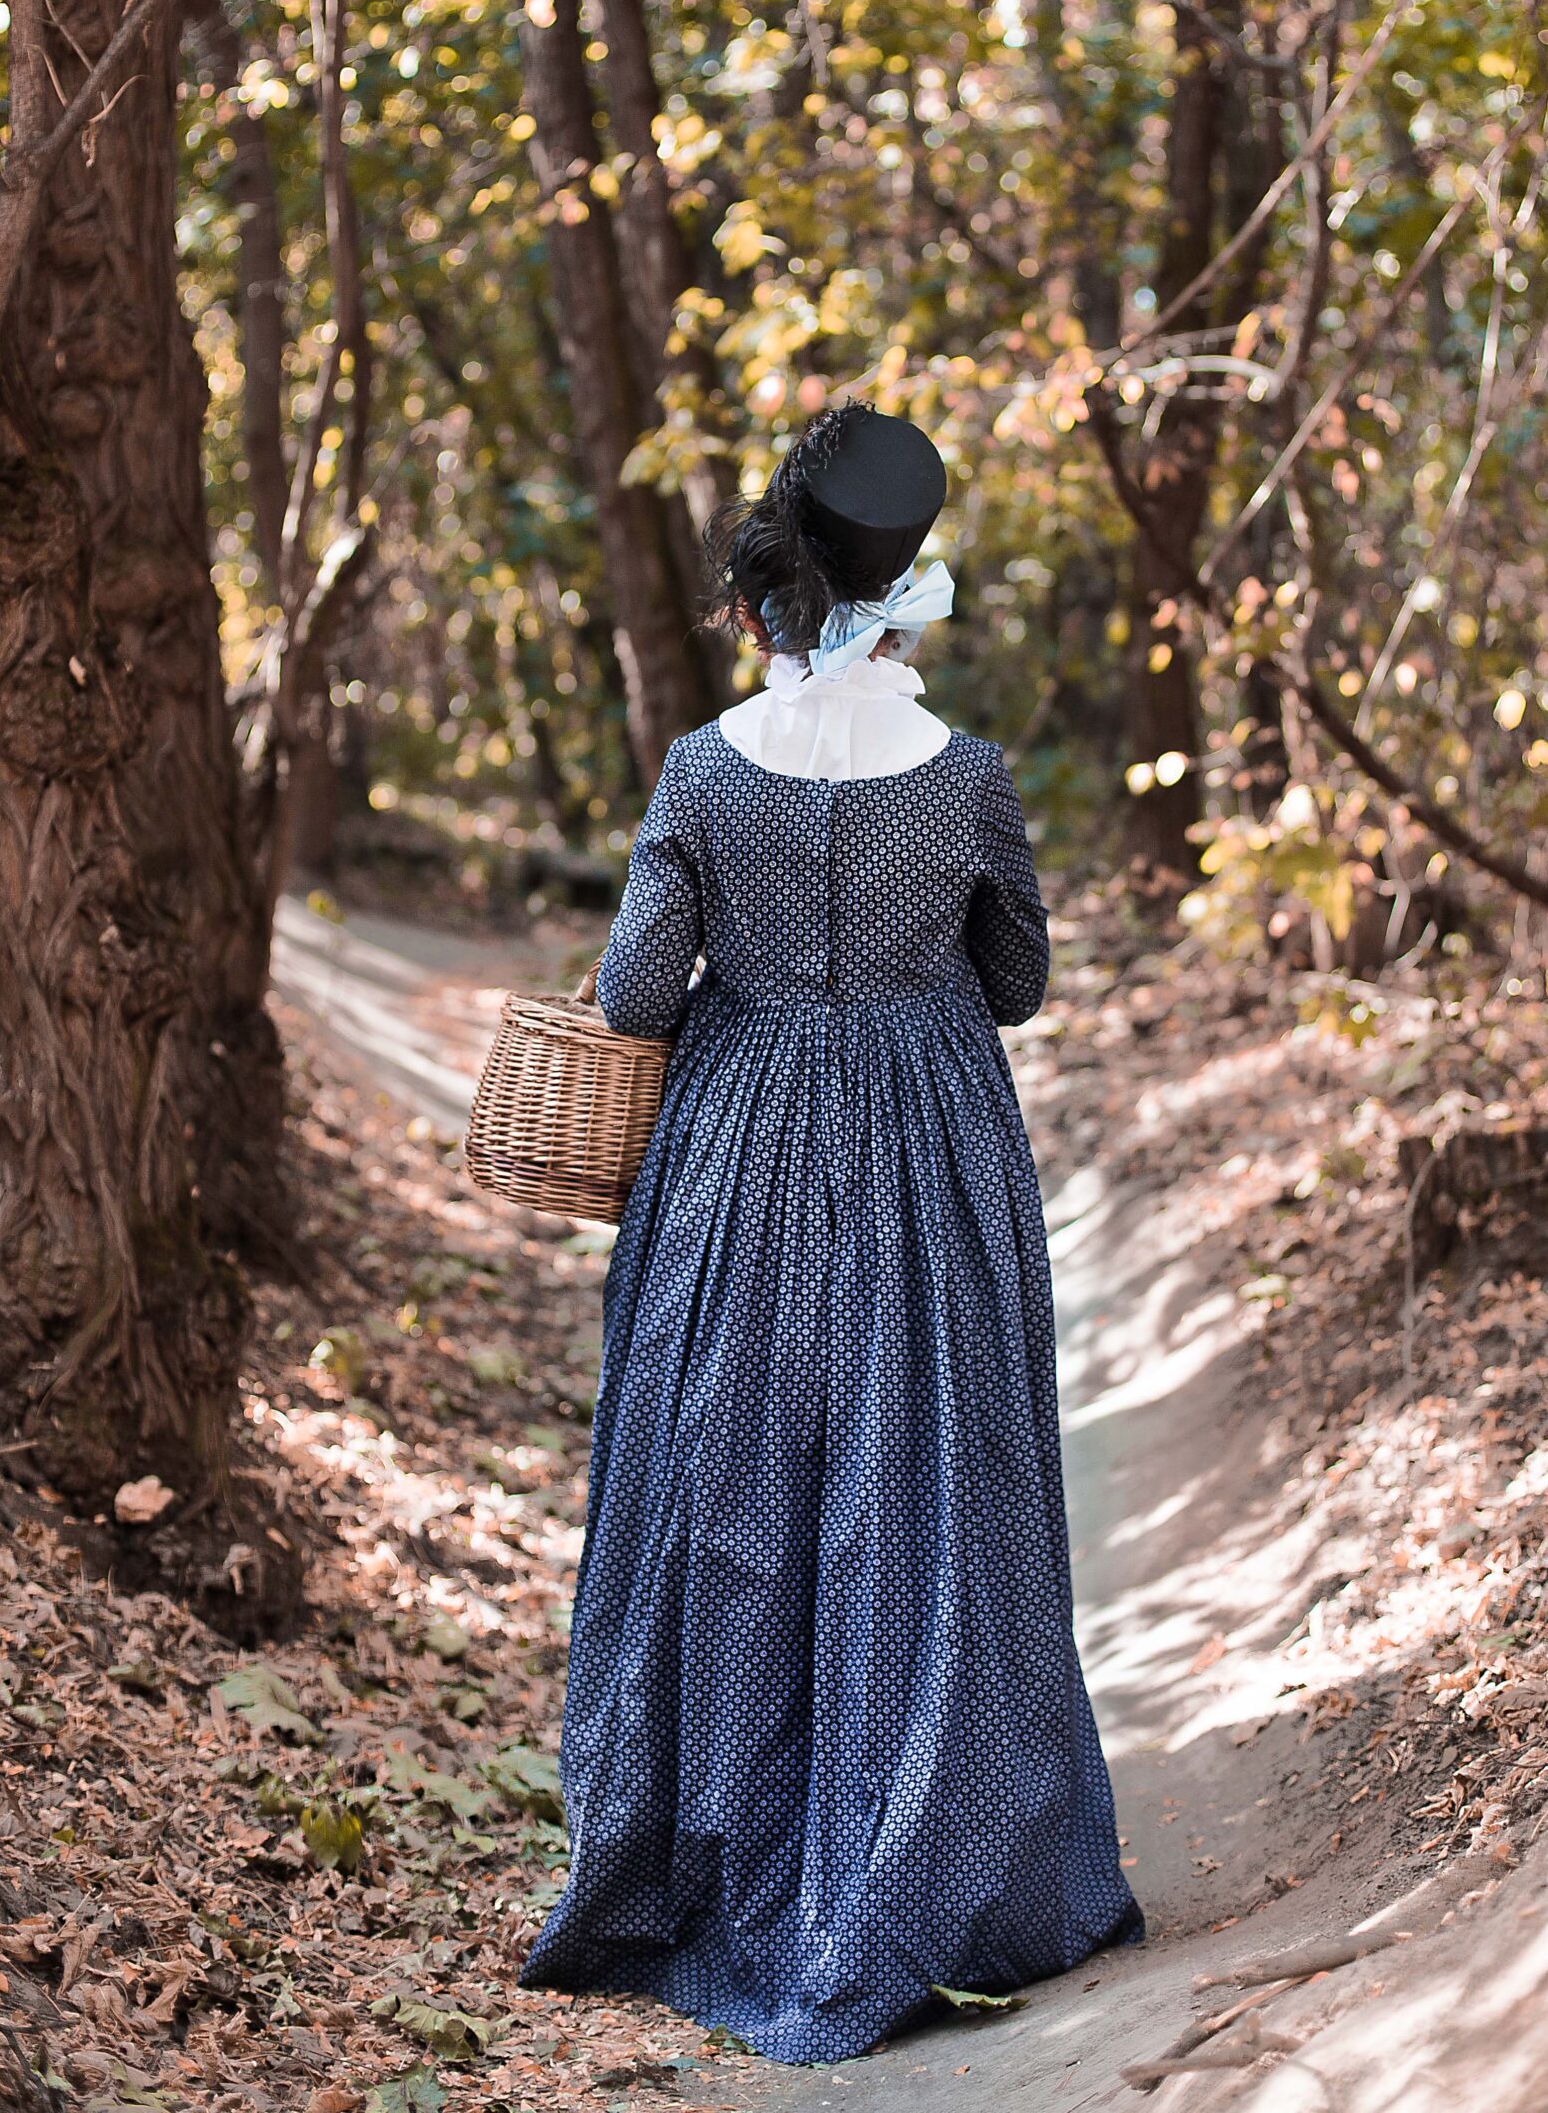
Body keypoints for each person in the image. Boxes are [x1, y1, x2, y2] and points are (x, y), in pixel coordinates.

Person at [518, 403, 1142, 2063]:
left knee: (731, 1487)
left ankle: (716, 1856)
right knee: (922, 1486)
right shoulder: (970, 778)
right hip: (932, 1162)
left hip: (739, 1165)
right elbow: (1018, 982)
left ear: (765, 601)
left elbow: (635, 996)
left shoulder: (705, 771)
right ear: (900, 590)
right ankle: (929, 1861)